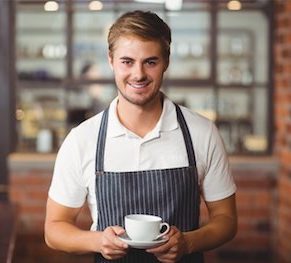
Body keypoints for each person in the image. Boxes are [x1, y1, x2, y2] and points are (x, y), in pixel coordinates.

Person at [44, 10, 237, 263]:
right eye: (127, 61)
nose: (138, 74)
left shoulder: (201, 133)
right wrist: (97, 241)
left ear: (166, 62)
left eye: (150, 62)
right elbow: (54, 228)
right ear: (111, 60)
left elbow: (227, 220)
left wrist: (189, 242)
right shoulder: (83, 139)